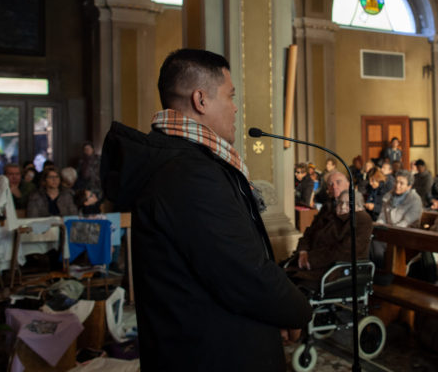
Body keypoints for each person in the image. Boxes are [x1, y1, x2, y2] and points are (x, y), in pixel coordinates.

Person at [100, 48, 310, 371]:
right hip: (212, 353)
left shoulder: (179, 163)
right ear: (201, 100)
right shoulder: (190, 174)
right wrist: (297, 309)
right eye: (230, 96)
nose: (236, 107)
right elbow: (242, 271)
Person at [284, 171, 372, 287]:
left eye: (338, 182)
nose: (334, 186)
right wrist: (303, 251)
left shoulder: (359, 216)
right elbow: (309, 233)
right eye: (330, 184)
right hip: (313, 261)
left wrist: (310, 259)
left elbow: (344, 251)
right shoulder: (328, 208)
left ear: (348, 184)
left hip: (332, 268)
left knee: (287, 283)